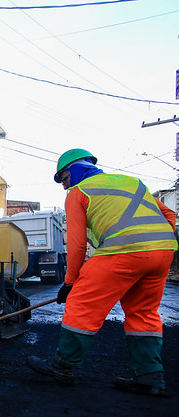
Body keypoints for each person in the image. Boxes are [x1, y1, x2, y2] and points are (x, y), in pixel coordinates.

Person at [27, 148, 177, 397]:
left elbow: (76, 244)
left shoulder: (79, 192)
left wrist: (70, 282)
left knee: (81, 305)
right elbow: (169, 214)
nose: (64, 187)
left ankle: (63, 367)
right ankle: (151, 377)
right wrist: (157, 246)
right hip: (162, 252)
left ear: (73, 171)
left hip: (121, 251)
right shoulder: (132, 182)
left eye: (64, 180)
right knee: (144, 312)